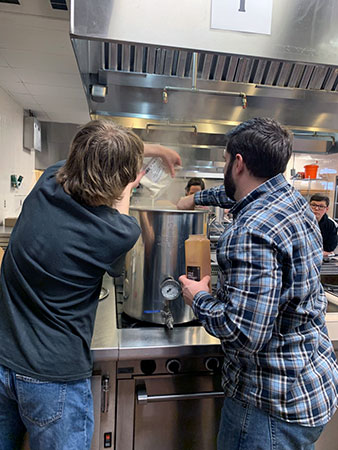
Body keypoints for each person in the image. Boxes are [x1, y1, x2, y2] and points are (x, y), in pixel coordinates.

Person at [0, 119, 181, 449]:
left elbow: (88, 162)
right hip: (53, 379)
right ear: (124, 182)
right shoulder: (116, 233)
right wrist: (130, 182)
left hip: (4, 358)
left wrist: (153, 151)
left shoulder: (47, 185)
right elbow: (123, 221)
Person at [177, 117, 338, 450]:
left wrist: (200, 297)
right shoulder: (292, 200)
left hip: (268, 406)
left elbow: (245, 334)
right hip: (310, 386)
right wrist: (194, 199)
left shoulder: (250, 231)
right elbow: (236, 193)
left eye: (225, 161)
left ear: (238, 163)